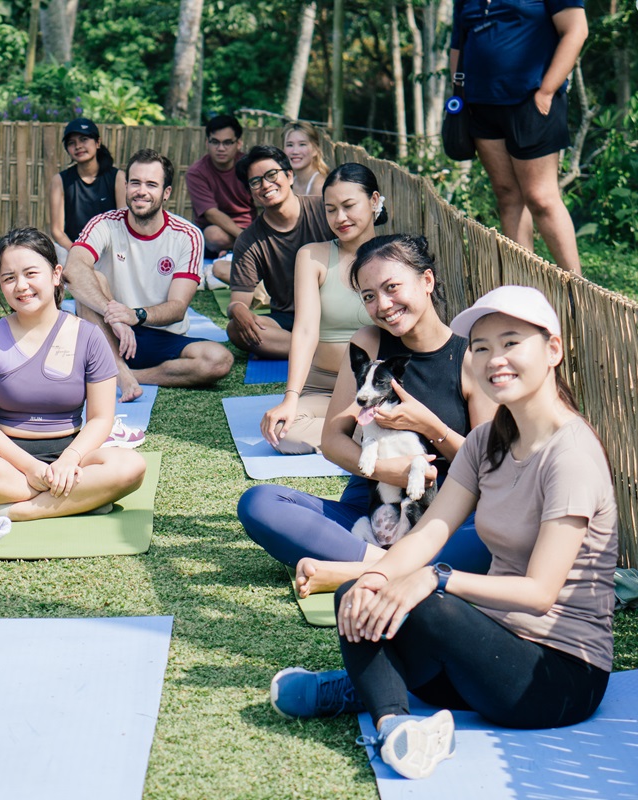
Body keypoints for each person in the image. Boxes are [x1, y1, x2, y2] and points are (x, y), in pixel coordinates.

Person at [270, 285, 615, 781]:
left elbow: (540, 594)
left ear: (553, 350)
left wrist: (438, 578)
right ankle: (394, 724)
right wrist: (377, 577)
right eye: (481, 348)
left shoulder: (571, 457)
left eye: (511, 343)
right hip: (485, 652)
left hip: (553, 679)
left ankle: (372, 683)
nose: (495, 359)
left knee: (423, 596)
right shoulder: (485, 442)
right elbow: (430, 529)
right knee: (362, 588)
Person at [238, 234, 497, 587]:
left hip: (441, 517)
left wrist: (431, 426)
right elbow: (332, 439)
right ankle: (391, 567)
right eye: (369, 296)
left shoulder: (469, 360)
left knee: (491, 538)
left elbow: (488, 470)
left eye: (392, 287)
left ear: (427, 281)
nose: (384, 305)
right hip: (370, 507)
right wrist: (388, 471)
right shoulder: (369, 342)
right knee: (260, 502)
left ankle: (360, 568)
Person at [0, 228, 147, 520]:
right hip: (6, 458)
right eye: (9, 278)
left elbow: (100, 418)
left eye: (31, 273)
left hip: (72, 456)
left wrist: (69, 460)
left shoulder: (89, 337)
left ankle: (14, 511)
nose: (21, 286)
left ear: (56, 275)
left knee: (131, 466)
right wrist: (32, 468)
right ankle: (77, 500)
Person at [63, 148, 234, 403]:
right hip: (108, 330)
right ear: (125, 186)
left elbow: (177, 308)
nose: (141, 191)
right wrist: (115, 315)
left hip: (160, 333)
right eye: (135, 183)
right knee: (90, 281)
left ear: (166, 193)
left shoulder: (188, 235)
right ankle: (118, 369)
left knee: (219, 360)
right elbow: (73, 270)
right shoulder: (104, 223)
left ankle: (127, 373)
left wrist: (135, 316)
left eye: (151, 184)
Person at [452, 0, 586, 273]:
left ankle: (579, 290)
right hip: (482, 106)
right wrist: (458, 96)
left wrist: (547, 91)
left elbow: (576, 30)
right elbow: (458, 44)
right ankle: (524, 291)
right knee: (507, 195)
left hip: (532, 102)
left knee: (541, 197)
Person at [260, 164, 384, 455]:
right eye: (331, 209)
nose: (340, 218)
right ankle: (368, 435)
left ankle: (361, 431)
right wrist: (291, 398)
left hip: (377, 391)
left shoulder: (394, 257)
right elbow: (304, 330)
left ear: (374, 201)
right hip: (322, 389)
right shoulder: (312, 256)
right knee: (283, 433)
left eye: (349, 206)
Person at [226, 145, 332, 360]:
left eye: (272, 175)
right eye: (256, 182)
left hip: (334, 310)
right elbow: (238, 301)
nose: (265, 185)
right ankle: (324, 353)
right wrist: (236, 310)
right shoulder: (248, 240)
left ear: (290, 176)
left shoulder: (326, 209)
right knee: (235, 330)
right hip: (288, 319)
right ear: (251, 192)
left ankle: (311, 349)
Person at [47, 117, 125, 263]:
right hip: (73, 249)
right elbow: (57, 231)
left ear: (98, 142)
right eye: (72, 143)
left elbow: (123, 223)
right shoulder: (60, 180)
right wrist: (78, 252)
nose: (78, 146)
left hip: (110, 251)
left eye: (84, 139)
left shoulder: (118, 178)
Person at [184, 114, 255, 257]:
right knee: (213, 235)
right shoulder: (196, 172)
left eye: (227, 142)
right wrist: (245, 239)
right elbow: (211, 213)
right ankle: (249, 247)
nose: (221, 148)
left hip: (250, 226)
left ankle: (234, 249)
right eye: (215, 142)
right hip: (216, 231)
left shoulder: (250, 166)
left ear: (239, 143)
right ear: (206, 143)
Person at [282, 121, 329, 197]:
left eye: (302, 144)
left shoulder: (319, 186)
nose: (295, 151)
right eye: (290, 145)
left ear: (315, 150)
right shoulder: (290, 183)